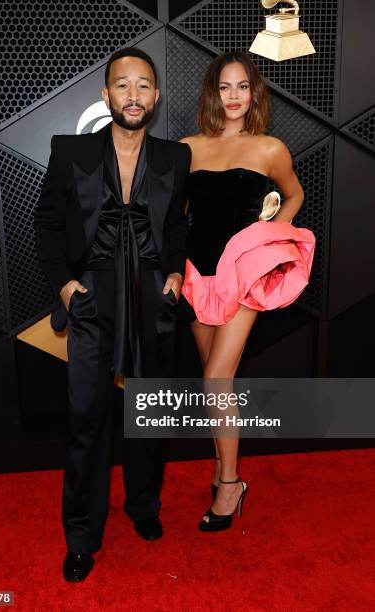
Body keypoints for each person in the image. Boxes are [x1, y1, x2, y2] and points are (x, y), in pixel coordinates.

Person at [34, 47, 191, 580]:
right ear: (106, 95)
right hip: (93, 295)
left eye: (143, 85)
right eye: (122, 85)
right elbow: (48, 223)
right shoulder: (71, 151)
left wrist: (175, 273)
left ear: (156, 96)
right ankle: (82, 533)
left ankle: (143, 505)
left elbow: (176, 227)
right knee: (87, 418)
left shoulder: (175, 157)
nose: (133, 94)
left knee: (151, 408)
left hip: (152, 293)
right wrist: (64, 286)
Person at [179, 51, 307, 532]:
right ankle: (220, 470)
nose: (233, 96)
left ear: (254, 94)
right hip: (198, 273)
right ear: (212, 93)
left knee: (216, 379)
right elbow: (180, 214)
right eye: (224, 87)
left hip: (243, 277)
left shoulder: (270, 148)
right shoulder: (187, 147)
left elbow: (293, 194)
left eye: (242, 87)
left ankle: (230, 485)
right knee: (215, 382)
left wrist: (269, 236)